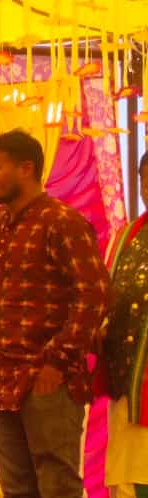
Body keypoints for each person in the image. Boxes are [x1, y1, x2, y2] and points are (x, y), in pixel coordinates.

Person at [0, 129, 109, 497]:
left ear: (26, 169)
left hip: (47, 377)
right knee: (15, 488)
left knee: (57, 484)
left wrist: (58, 361)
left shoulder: (62, 221)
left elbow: (94, 296)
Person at [98, 152, 148, 498]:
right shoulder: (126, 236)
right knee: (129, 477)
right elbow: (105, 297)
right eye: (146, 179)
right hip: (128, 382)